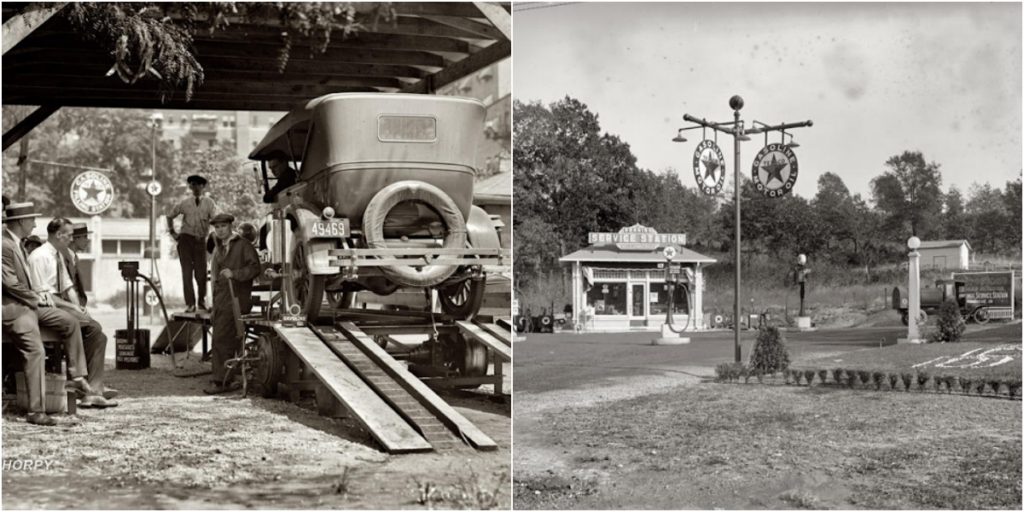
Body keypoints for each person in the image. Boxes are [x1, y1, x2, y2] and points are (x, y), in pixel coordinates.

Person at [3, 204, 89, 424]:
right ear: (21, 221)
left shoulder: (17, 243)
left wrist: (39, 293)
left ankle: (76, 377)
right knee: (36, 351)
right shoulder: (4, 244)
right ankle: (36, 412)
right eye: (32, 219)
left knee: (70, 322)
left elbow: (24, 282)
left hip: (27, 303)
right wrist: (36, 297)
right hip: (14, 308)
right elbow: (10, 284)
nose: (35, 223)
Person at [27, 218, 116, 408]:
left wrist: (80, 309)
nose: (71, 239)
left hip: (62, 306)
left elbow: (68, 287)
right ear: (59, 235)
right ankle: (82, 384)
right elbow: (43, 295)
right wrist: (74, 309)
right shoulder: (38, 257)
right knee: (93, 329)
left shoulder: (59, 256)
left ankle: (94, 389)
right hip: (47, 308)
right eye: (69, 235)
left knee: (99, 336)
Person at [205, 213, 260, 395]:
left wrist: (235, 274)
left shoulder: (244, 245)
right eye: (217, 227)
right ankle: (228, 377)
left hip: (237, 298)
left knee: (222, 338)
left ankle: (221, 382)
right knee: (221, 338)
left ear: (230, 226)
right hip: (221, 299)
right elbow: (215, 279)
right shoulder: (220, 249)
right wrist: (213, 305)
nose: (220, 230)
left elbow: (255, 268)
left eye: (223, 226)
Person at [166, 175, 216, 313]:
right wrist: (173, 232)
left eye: (198, 185)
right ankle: (190, 304)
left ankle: (201, 302)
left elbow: (215, 220)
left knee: (201, 274)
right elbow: (169, 215)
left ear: (203, 187)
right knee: (186, 273)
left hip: (200, 241)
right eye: (192, 185)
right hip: (185, 240)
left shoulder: (210, 203)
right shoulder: (185, 203)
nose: (195, 188)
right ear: (190, 187)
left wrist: (216, 235)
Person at [66, 223, 91, 307]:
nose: (87, 240)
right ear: (75, 238)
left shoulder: (75, 258)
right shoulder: (63, 258)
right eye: (85, 237)